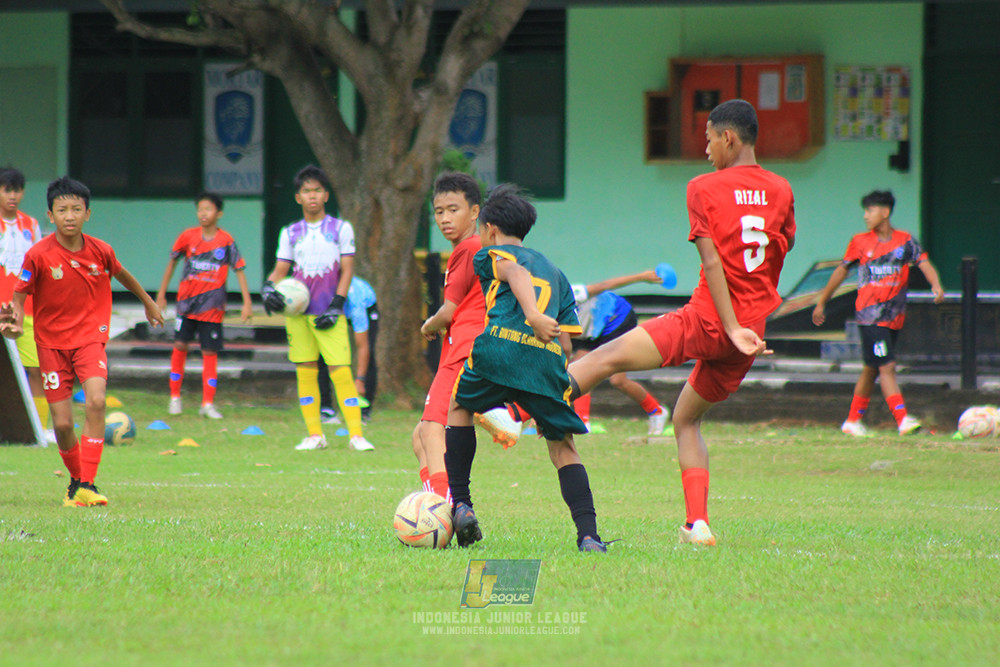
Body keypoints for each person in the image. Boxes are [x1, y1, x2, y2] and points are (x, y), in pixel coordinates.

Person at [543, 99, 795, 548]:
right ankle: (697, 523)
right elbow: (776, 256)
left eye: (709, 139)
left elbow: (713, 263)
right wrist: (747, 324)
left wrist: (730, 323)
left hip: (711, 320)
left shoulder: (704, 187)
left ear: (729, 138)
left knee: (603, 358)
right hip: (750, 336)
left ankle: (520, 408)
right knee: (686, 419)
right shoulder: (782, 191)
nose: (706, 150)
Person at [445, 183, 608, 553]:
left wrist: (532, 315)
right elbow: (566, 341)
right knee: (563, 448)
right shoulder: (555, 271)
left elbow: (514, 274)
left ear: (489, 229)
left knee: (458, 407)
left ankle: (462, 504)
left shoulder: (489, 253)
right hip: (546, 362)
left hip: (498, 350)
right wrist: (546, 386)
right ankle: (589, 536)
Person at [0, 176, 163, 506]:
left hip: (90, 339)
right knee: (61, 424)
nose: (70, 216)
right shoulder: (38, 255)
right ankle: (77, 482)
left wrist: (148, 301)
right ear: (50, 215)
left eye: (76, 209)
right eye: (62, 210)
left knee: (97, 402)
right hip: (50, 344)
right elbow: (19, 295)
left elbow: (121, 273)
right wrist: (13, 323)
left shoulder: (101, 251)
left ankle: (87, 482)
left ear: (88, 213)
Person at [812, 190, 944, 437]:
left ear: (884, 212)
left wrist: (935, 284)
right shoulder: (860, 242)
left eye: (869, 210)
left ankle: (852, 421)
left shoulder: (905, 241)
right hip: (870, 316)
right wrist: (822, 301)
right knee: (887, 366)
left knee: (871, 368)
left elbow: (924, 263)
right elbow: (841, 271)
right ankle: (903, 419)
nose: (865, 216)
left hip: (893, 317)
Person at [261, 164, 374, 452]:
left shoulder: (340, 229)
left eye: (317, 190)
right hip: (298, 315)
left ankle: (356, 435)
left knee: (340, 370)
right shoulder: (290, 232)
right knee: (306, 370)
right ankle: (315, 435)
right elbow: (281, 269)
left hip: (329, 311)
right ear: (298, 197)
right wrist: (267, 288)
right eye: (306, 191)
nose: (312, 196)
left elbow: (347, 269)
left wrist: (337, 304)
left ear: (325, 195)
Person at [412, 172, 486, 502]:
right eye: (439, 211)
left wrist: (427, 326)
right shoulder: (482, 246)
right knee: (420, 436)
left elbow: (448, 311)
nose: (444, 218)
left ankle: (445, 507)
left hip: (464, 350)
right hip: (477, 348)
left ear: (474, 211)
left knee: (432, 428)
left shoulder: (467, 249)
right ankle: (439, 500)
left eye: (453, 209)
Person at [155, 192, 253, 419]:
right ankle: (175, 398)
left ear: (219, 213)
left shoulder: (226, 241)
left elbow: (239, 270)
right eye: (200, 209)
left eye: (208, 209)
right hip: (186, 305)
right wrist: (161, 294)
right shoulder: (187, 237)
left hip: (213, 308)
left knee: (210, 352)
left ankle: (207, 403)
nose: (203, 213)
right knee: (180, 346)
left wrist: (247, 302)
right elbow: (172, 263)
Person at [570, 270, 671, 435]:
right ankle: (582, 422)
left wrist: (641, 277)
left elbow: (605, 285)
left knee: (618, 380)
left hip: (616, 319)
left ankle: (657, 412)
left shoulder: (572, 293)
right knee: (578, 372)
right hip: (592, 330)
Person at [0, 167, 50, 438]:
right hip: (0, 309)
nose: (13, 196)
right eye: (7, 189)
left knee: (36, 369)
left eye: (17, 190)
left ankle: (39, 430)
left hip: (27, 309)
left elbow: (40, 264)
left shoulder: (30, 225)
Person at [318, 275, 379, 424]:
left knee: (368, 352)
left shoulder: (356, 301)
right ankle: (326, 408)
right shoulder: (319, 295)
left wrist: (360, 380)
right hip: (335, 312)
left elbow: (362, 346)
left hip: (366, 307)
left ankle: (364, 410)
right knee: (323, 354)